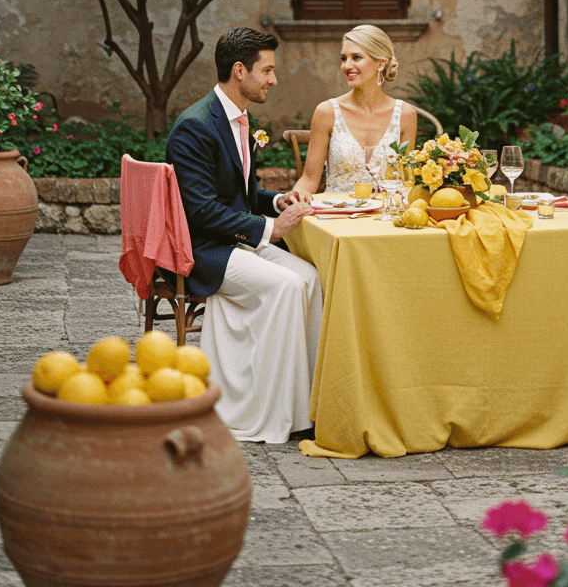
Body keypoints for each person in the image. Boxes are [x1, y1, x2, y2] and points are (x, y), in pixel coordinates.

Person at [166, 27, 321, 444]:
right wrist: (270, 230)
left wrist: (276, 204)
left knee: (311, 278)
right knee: (287, 286)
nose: (273, 79)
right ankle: (269, 413)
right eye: (266, 70)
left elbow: (243, 194)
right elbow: (199, 211)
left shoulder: (240, 118)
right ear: (240, 71)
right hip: (204, 250)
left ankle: (305, 408)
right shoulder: (194, 127)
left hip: (235, 238)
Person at [293, 24, 418, 195]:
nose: (346, 66)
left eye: (356, 57)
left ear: (381, 63)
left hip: (385, 216)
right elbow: (308, 180)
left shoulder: (406, 115)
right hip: (336, 214)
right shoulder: (326, 112)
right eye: (344, 58)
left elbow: (405, 181)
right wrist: (293, 201)